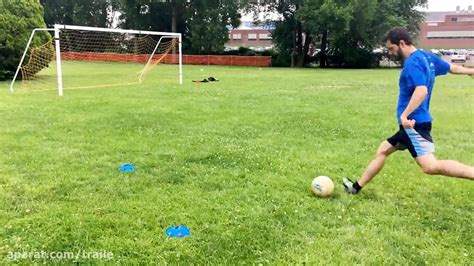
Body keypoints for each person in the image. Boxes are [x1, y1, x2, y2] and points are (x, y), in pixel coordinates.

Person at [343, 27, 474, 194]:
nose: (390, 53)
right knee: (382, 150)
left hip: (413, 124)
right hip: (410, 125)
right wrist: (471, 71)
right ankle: (355, 188)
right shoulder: (427, 57)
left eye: (391, 48)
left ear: (402, 43)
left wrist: (404, 116)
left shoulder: (412, 63)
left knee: (430, 166)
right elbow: (452, 68)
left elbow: (422, 90)